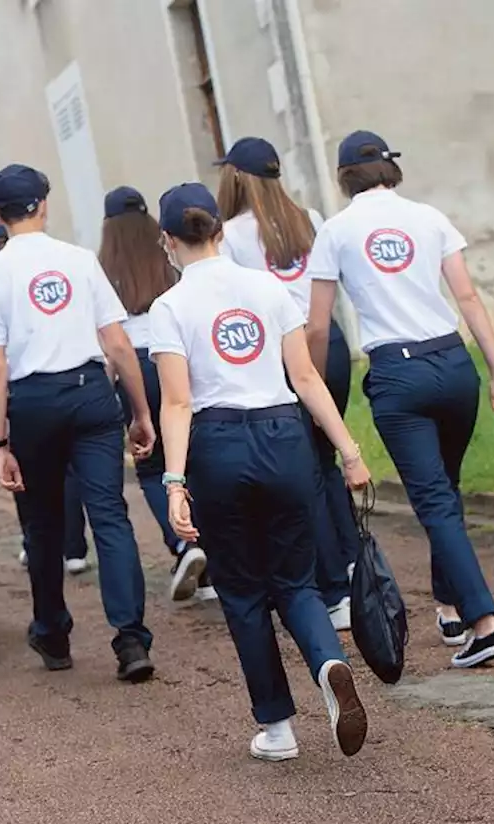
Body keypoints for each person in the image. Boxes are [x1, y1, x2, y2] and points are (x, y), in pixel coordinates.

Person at [149, 182, 371, 761]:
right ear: (220, 230)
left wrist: (174, 483)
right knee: (295, 580)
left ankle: (276, 727)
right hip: (283, 435)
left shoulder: (169, 307)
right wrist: (348, 450)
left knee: (244, 590)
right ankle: (329, 664)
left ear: (169, 241)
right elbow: (305, 378)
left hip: (217, 444)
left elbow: (176, 402)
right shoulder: (268, 287)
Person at [307, 130, 494, 669]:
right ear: (389, 169)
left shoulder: (335, 231)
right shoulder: (430, 217)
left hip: (399, 376)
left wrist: (306, 378)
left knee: (434, 501)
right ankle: (448, 606)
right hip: (453, 363)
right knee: (446, 491)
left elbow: (318, 322)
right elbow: (466, 295)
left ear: (344, 176)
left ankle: (485, 622)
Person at [0, 163, 158, 683]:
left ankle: (52, 630)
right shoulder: (79, 260)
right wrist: (140, 412)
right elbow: (117, 343)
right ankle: (130, 639)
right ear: (44, 204)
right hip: (91, 394)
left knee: (43, 522)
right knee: (109, 516)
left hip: (31, 403)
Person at [216, 137, 355, 630]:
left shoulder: (230, 235)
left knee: (308, 475)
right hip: (329, 344)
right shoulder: (310, 218)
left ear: (235, 178)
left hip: (284, 355)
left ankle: (334, 588)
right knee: (327, 458)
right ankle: (353, 561)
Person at [99, 186, 215, 604]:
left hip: (135, 364)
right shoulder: (169, 256)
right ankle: (212, 552)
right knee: (191, 453)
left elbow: (108, 341)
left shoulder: (103, 266)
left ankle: (184, 543)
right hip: (179, 355)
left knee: (151, 467)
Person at [0, 220, 92, 574]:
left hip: (28, 392)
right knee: (73, 472)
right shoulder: (67, 260)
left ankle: (38, 547)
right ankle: (75, 546)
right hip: (79, 382)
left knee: (32, 482)